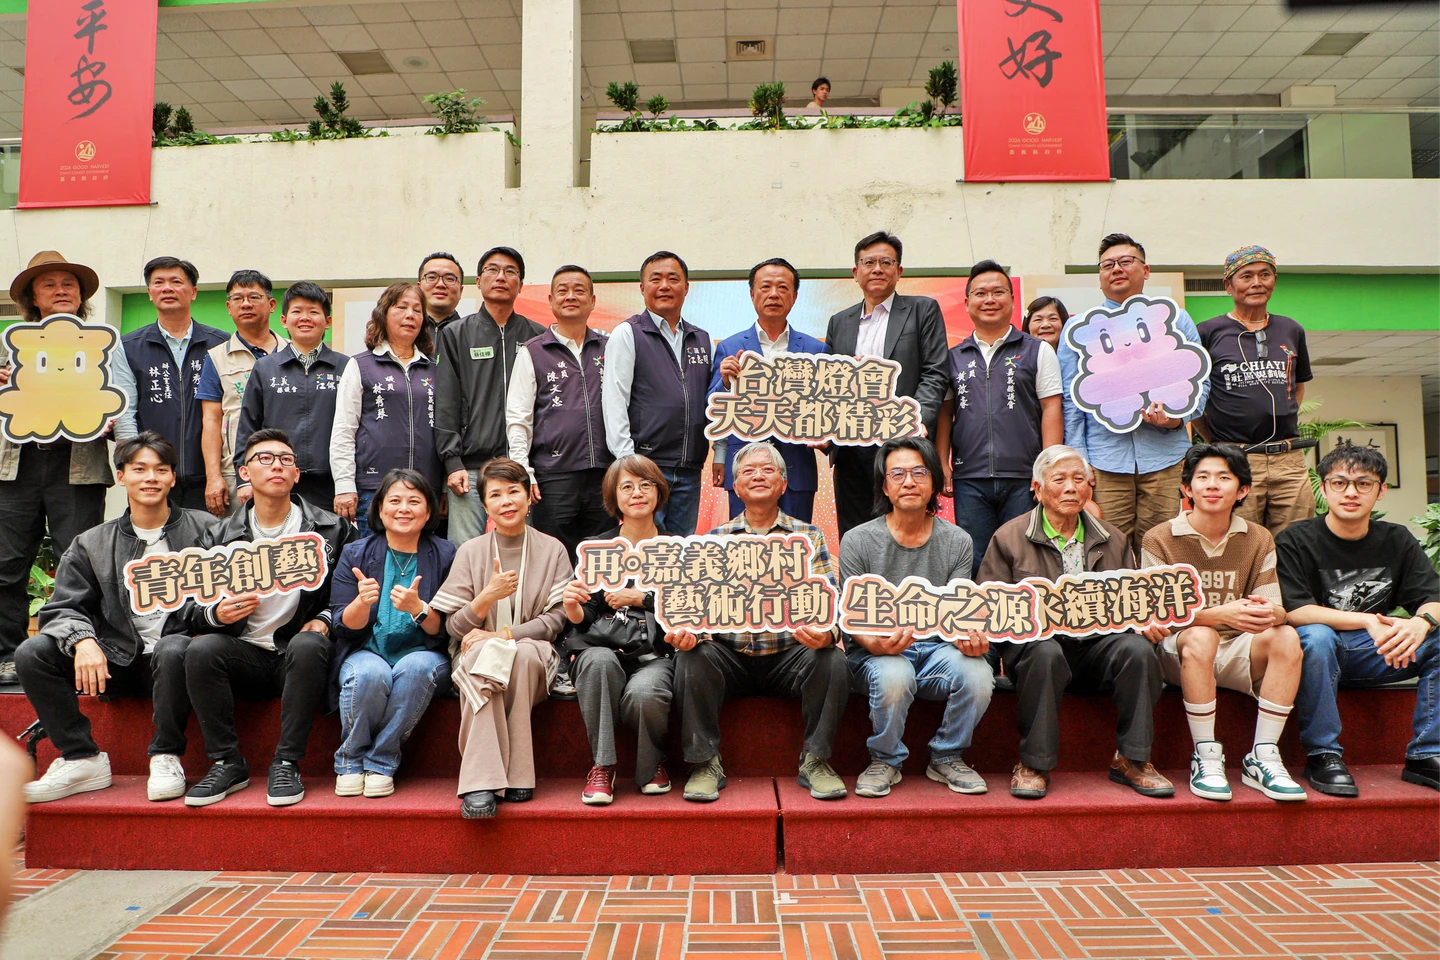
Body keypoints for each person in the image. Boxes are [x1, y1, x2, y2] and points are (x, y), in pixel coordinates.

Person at [15, 432, 211, 803]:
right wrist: (83, 640)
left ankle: (166, 755)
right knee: (32, 652)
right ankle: (81, 757)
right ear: (121, 476)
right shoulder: (92, 542)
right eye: (139, 469)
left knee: (173, 647)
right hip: (118, 660)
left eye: (161, 469)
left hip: (182, 663)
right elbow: (62, 607)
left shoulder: (207, 530)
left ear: (173, 477)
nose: (150, 478)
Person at [172, 428, 358, 808]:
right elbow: (184, 607)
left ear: (297, 474)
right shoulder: (218, 536)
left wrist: (325, 618)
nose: (277, 466)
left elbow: (352, 591)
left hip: (299, 655)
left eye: (286, 460)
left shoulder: (333, 529)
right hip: (245, 653)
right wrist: (215, 614)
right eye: (265, 459)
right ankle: (227, 762)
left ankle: (287, 762)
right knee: (201, 649)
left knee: (309, 643)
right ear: (244, 473)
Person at [979, 444, 1171, 800]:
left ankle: (1133, 760)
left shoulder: (1113, 538)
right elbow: (990, 609)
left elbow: (1132, 603)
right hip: (1038, 650)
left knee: (1138, 650)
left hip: (1097, 649)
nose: (1070, 488)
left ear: (1090, 487)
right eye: (1059, 480)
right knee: (1044, 651)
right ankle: (1034, 764)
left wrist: (1145, 622)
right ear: (1037, 489)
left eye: (1079, 479)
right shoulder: (1008, 538)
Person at [669, 442, 850, 802]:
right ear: (735, 487)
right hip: (731, 657)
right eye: (748, 471)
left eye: (768, 470)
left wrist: (827, 633)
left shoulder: (808, 537)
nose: (758, 476)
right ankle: (704, 763)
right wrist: (691, 632)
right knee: (691, 658)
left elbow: (831, 604)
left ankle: (816, 761)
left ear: (784, 484)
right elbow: (697, 607)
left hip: (790, 656)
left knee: (833, 660)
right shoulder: (714, 541)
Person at [1141, 443, 1306, 802]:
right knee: (1201, 635)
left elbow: (1274, 607)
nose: (1212, 485)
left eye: (1224, 478)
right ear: (1187, 488)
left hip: (1238, 648)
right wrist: (1219, 614)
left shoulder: (1259, 537)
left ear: (1242, 490)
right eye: (1202, 477)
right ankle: (1206, 755)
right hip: (1181, 653)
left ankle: (1263, 756)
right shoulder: (1159, 538)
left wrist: (1272, 613)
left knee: (1287, 637)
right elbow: (1157, 614)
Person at [1278, 443, 1440, 797]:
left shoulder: (1396, 539)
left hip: (1375, 652)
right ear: (1324, 489)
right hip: (1316, 653)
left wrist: (1421, 623)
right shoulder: (1295, 539)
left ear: (1380, 491)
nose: (1350, 492)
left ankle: (1426, 755)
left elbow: (1433, 597)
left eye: (1364, 483)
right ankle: (1323, 754)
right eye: (1339, 483)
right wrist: (1366, 621)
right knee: (1316, 635)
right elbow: (1295, 611)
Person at [0, 251, 129, 686]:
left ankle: (79, 649)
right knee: (5, 565)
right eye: (49, 285)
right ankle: (7, 654)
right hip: (14, 468)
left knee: (82, 563)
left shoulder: (103, 345)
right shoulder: (8, 344)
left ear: (81, 295)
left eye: (68, 284)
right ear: (32, 298)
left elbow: (122, 403)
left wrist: (113, 426)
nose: (60, 291)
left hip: (78, 468)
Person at [841, 437, 994, 798]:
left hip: (937, 650)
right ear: (884, 487)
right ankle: (885, 759)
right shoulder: (857, 540)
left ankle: (947, 755)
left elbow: (958, 612)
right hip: (875, 652)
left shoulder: (957, 541)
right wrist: (874, 644)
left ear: (934, 482)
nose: (909, 482)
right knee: (895, 675)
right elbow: (851, 616)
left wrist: (969, 639)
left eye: (919, 473)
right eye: (897, 474)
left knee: (978, 674)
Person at [429, 458, 571, 819]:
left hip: (533, 654)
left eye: (513, 491)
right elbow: (454, 628)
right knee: (482, 655)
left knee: (518, 654)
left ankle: (516, 772)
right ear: (484, 504)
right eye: (495, 494)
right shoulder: (470, 551)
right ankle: (482, 781)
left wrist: (503, 635)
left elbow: (556, 620)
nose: (506, 501)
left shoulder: (553, 549)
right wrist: (486, 597)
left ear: (528, 496)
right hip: (476, 653)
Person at [1058, 233, 1209, 546]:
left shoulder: (1175, 319)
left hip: (1165, 458)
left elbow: (1199, 380)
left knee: (1162, 547)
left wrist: (1177, 420)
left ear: (1146, 270)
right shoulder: (1079, 328)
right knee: (1108, 548)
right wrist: (1079, 460)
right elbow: (1072, 400)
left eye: (1126, 261)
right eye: (1107, 265)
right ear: (1100, 276)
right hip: (1105, 461)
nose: (1116, 269)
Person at [328, 469, 455, 798]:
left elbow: (444, 629)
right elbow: (343, 625)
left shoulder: (446, 554)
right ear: (380, 508)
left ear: (429, 511)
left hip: (424, 653)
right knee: (370, 675)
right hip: (366, 649)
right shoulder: (356, 553)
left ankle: (381, 761)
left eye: (414, 501)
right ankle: (350, 760)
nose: (404, 509)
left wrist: (418, 609)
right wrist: (361, 602)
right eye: (395, 500)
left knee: (415, 669)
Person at [561, 455, 675, 804]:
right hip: (601, 648)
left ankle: (650, 765)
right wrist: (572, 606)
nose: (637, 493)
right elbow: (585, 617)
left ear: (659, 491)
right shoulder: (597, 548)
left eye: (645, 485)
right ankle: (603, 766)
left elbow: (691, 608)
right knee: (598, 663)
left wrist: (644, 599)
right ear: (614, 497)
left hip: (657, 653)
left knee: (645, 693)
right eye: (626, 487)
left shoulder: (679, 548)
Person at [936, 260, 1063, 561]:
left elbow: (1051, 407)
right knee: (976, 558)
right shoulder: (953, 357)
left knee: (1025, 556)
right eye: (980, 293)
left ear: (1012, 299)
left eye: (998, 292)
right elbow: (945, 415)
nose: (989, 300)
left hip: (1024, 477)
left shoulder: (1037, 350)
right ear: (967, 303)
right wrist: (942, 462)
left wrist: (1048, 467)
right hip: (970, 477)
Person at [824, 231, 950, 537]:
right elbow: (827, 385)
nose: (877, 269)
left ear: (899, 270)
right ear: (856, 272)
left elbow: (935, 372)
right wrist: (824, 427)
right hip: (851, 446)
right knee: (854, 535)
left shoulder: (922, 310)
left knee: (906, 531)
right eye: (869, 263)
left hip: (903, 444)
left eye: (886, 262)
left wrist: (913, 422)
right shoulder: (839, 322)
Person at [1196, 245, 1315, 536]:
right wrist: (1218, 442)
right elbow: (1193, 401)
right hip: (1235, 459)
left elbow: (1297, 386)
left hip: (1289, 461)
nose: (1257, 283)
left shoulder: (1291, 329)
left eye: (1265, 275)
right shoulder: (1208, 332)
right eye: (1246, 276)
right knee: (1239, 542)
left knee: (1295, 543)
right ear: (1228, 285)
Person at [434, 247, 546, 545]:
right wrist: (452, 463)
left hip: (521, 467)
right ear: (478, 281)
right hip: (470, 468)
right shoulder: (456, 333)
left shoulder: (537, 337)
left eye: (510, 272)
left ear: (520, 284)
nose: (501, 277)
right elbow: (446, 402)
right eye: (492, 270)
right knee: (466, 551)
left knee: (521, 549)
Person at [506, 264, 613, 561]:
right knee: (554, 558)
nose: (571, 296)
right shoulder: (533, 351)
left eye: (579, 290)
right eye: (563, 291)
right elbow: (518, 418)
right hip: (553, 475)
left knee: (601, 558)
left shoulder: (611, 348)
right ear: (551, 301)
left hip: (604, 473)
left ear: (592, 300)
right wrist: (523, 472)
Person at [601, 251, 712, 536]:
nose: (664, 286)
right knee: (647, 548)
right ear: (642, 288)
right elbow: (614, 399)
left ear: (686, 287)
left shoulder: (700, 338)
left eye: (673, 279)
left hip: (689, 467)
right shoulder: (628, 333)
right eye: (656, 279)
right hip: (647, 468)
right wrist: (629, 463)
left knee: (681, 551)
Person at [708, 258, 825, 522]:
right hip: (746, 470)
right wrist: (725, 382)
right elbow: (712, 407)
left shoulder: (816, 350)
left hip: (797, 470)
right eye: (765, 287)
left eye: (782, 287)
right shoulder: (729, 347)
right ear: (752, 294)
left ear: (794, 297)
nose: (774, 294)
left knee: (797, 541)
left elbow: (828, 408)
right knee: (745, 542)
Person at [114, 256, 229, 510]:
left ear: (193, 292)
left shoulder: (221, 344)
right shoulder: (128, 346)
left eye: (176, 282)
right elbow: (125, 412)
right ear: (149, 293)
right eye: (159, 283)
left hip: (211, 475)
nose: (167, 288)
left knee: (210, 535)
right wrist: (135, 466)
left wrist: (220, 472)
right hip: (154, 476)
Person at [330, 281, 442, 537]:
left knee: (423, 557)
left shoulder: (434, 368)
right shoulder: (361, 365)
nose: (410, 315)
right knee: (374, 557)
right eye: (401, 307)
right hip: (375, 487)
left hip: (426, 488)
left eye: (417, 310)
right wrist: (345, 485)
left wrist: (443, 486)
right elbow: (344, 429)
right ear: (383, 314)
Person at [233, 282, 350, 510]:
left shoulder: (345, 366)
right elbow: (248, 427)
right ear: (284, 320)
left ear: (327, 321)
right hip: (276, 477)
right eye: (297, 311)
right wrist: (244, 480)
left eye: (313, 312)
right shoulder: (265, 368)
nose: (305, 318)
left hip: (331, 482)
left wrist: (348, 484)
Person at [198, 270, 287, 518]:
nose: (245, 304)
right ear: (229, 307)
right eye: (238, 298)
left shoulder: (291, 353)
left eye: (254, 297)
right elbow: (211, 420)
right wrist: (214, 476)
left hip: (286, 468)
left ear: (271, 305)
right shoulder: (217, 357)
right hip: (236, 470)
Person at [418, 252, 466, 339]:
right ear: (419, 287)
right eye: (432, 277)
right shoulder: (405, 331)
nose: (440, 284)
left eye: (449, 279)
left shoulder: (470, 333)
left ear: (460, 290)